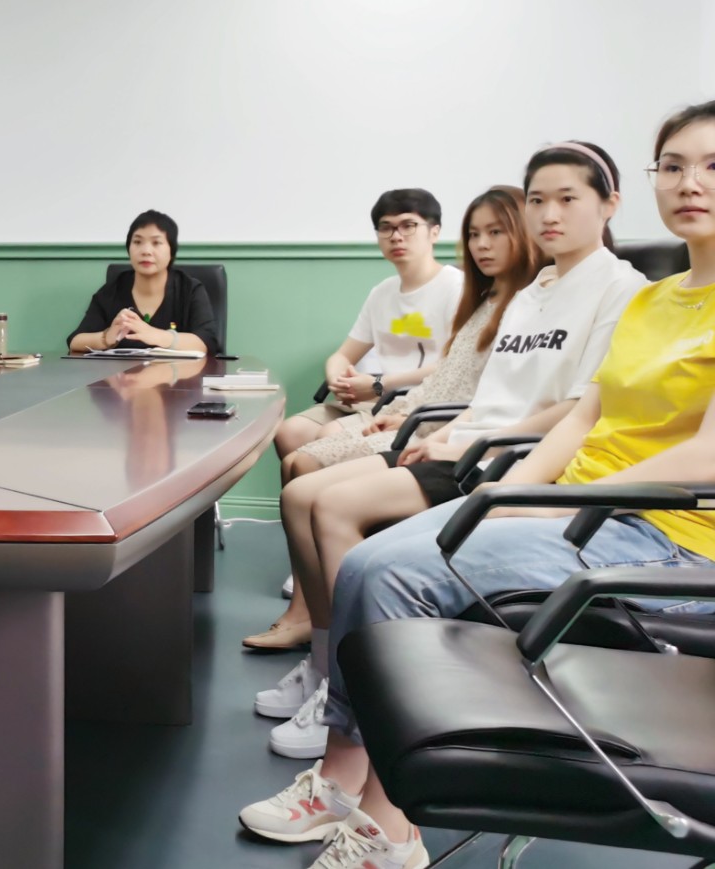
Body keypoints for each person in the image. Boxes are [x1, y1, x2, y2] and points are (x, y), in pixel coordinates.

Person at [237, 111, 715, 869]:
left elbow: (707, 454)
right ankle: (346, 780)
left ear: (609, 202)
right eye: (674, 165)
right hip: (582, 510)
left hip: (665, 533)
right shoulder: (654, 301)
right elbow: (583, 417)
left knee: (392, 573)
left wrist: (570, 502)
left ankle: (386, 826)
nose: (691, 183)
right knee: (365, 562)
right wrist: (513, 496)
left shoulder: (622, 289)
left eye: (712, 166)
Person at [252, 143, 647, 762]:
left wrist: (463, 439)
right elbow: (489, 395)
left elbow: (576, 411)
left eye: (568, 198)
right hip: (464, 443)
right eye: (538, 200)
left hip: (504, 458)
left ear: (609, 203)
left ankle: (351, 693)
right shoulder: (531, 291)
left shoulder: (622, 289)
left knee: (330, 507)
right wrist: (443, 432)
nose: (549, 214)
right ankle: (325, 666)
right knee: (300, 491)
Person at [245, 186, 541, 651]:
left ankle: (325, 632)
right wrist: (368, 391)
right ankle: (312, 617)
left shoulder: (495, 298)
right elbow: (447, 376)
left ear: (433, 232)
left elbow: (491, 397)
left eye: (496, 233)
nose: (482, 245)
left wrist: (389, 393)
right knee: (294, 447)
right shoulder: (474, 298)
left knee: (306, 465)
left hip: (439, 429)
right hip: (410, 412)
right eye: (475, 234)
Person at [272, 189, 464, 469]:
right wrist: (341, 382)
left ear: (434, 232)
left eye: (408, 226)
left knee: (327, 437)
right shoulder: (382, 292)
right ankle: (304, 497)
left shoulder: (456, 287)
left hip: (415, 401)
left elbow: (454, 367)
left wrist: (378, 384)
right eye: (386, 228)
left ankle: (329, 496)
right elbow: (342, 355)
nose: (396, 236)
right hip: (377, 398)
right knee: (289, 432)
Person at [67, 209, 219, 355]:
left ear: (171, 250)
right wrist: (106, 337)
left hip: (177, 372)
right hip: (123, 373)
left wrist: (156, 335)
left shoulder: (189, 289)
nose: (146, 251)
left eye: (156, 243)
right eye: (137, 242)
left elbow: (207, 342)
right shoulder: (113, 289)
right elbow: (75, 341)